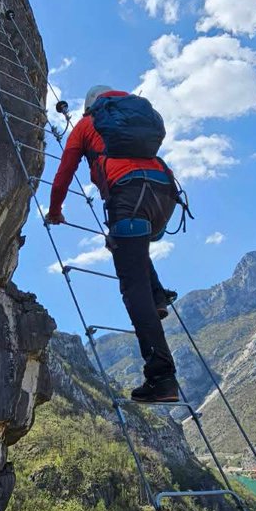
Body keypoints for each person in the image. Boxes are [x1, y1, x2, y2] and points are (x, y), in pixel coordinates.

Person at [45, 86, 181, 404]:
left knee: (133, 289)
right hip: (164, 194)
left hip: (129, 198)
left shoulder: (86, 125)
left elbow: (65, 172)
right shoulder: (133, 116)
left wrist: (55, 210)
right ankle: (158, 295)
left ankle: (162, 378)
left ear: (90, 106)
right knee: (129, 248)